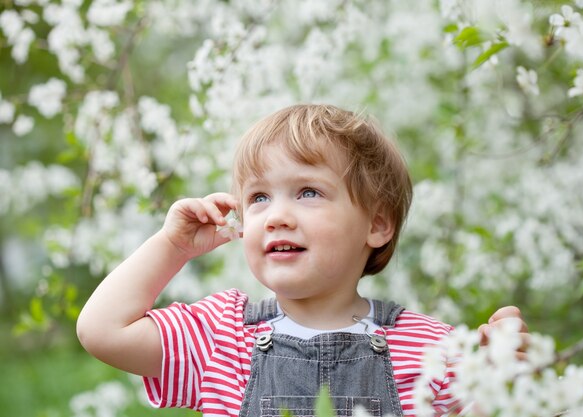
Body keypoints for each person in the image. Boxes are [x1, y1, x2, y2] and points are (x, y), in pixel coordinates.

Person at [76, 104, 528, 417]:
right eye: (258, 197)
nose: (276, 216)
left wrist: (498, 375)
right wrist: (171, 247)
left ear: (376, 225)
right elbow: (102, 331)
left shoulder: (430, 347)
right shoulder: (220, 337)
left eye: (308, 192)